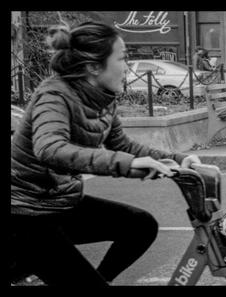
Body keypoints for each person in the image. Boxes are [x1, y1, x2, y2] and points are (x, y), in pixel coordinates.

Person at [10, 22, 202, 286]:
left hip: (60, 202)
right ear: (93, 67)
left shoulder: (102, 97)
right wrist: (127, 164)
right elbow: (50, 148)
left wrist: (177, 159)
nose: (127, 66)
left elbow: (122, 144)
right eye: (122, 58)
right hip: (24, 213)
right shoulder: (54, 96)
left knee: (140, 226)